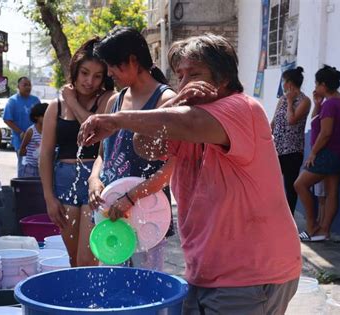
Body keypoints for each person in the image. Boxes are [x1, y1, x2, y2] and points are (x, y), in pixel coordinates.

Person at [78, 33, 301, 314]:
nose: (184, 83)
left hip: (251, 274)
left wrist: (114, 120)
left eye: (194, 74)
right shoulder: (185, 117)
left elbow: (193, 123)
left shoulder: (241, 108)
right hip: (205, 271)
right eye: (180, 76)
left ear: (222, 78)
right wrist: (176, 101)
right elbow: (144, 145)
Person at [88, 27, 176, 271]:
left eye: (113, 66)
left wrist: (131, 198)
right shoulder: (115, 99)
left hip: (147, 215)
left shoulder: (166, 101)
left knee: (145, 292)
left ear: (133, 61)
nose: (109, 73)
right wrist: (94, 178)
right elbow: (103, 153)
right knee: (111, 289)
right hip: (110, 213)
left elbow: (171, 169)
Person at [39, 38, 115, 267]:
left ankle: (92, 301)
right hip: (64, 182)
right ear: (75, 70)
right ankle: (80, 303)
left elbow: (93, 130)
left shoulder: (107, 99)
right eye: (84, 73)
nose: (89, 81)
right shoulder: (56, 106)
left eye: (97, 75)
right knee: (73, 260)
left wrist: (71, 100)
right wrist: (48, 197)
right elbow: (45, 154)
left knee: (88, 259)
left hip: (95, 181)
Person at [295, 65, 340, 242]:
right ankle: (324, 231)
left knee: (300, 185)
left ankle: (312, 227)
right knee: (332, 191)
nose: (316, 88)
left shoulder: (330, 105)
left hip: (329, 153)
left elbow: (325, 133)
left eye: (317, 84)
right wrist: (318, 104)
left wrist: (313, 154)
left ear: (324, 85)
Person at [271, 67, 311, 214]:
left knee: (290, 185)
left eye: (284, 81)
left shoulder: (304, 101)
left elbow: (292, 120)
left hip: (293, 150)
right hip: (277, 148)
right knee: (271, 182)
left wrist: (289, 102)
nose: (283, 85)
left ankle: (289, 217)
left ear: (289, 83)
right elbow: (274, 121)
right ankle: (274, 214)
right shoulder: (281, 99)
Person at [3, 77, 41, 177]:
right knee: (24, 166)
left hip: (37, 140)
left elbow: (42, 117)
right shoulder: (12, 101)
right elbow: (7, 119)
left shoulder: (35, 100)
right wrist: (20, 132)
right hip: (21, 140)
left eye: (29, 85)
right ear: (18, 87)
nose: (28, 87)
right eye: (25, 85)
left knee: (38, 165)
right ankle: (22, 187)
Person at [19, 102, 48, 177]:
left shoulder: (50, 130)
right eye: (44, 116)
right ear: (36, 117)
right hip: (31, 167)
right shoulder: (31, 131)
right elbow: (22, 148)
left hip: (45, 167)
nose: (47, 118)